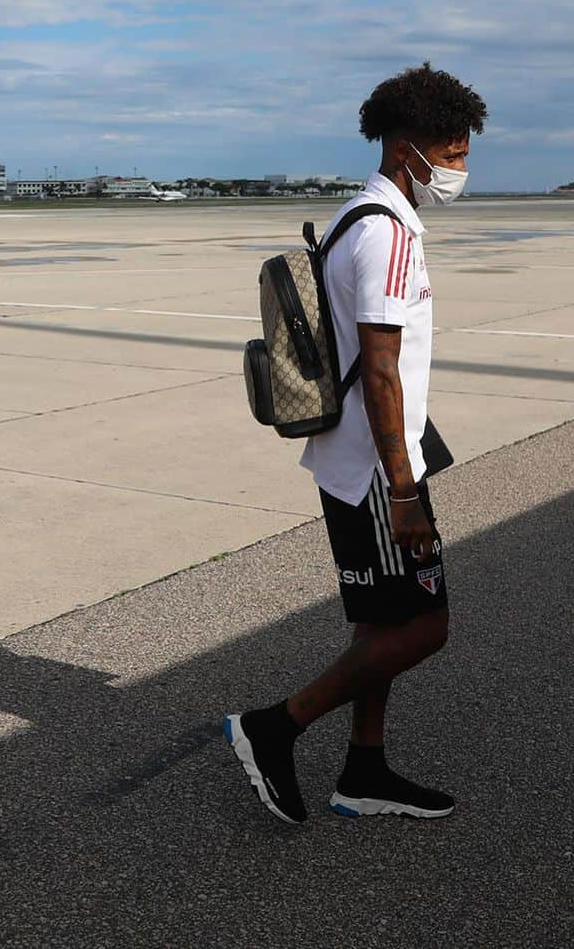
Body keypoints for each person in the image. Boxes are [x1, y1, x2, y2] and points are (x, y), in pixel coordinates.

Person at [225, 62, 487, 824]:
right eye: (454, 151)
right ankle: (273, 728)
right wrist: (404, 492)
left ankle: (364, 770)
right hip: (380, 468)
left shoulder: (358, 217)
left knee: (381, 622)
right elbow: (379, 369)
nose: (460, 168)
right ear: (408, 148)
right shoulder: (387, 236)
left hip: (362, 458)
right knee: (425, 625)